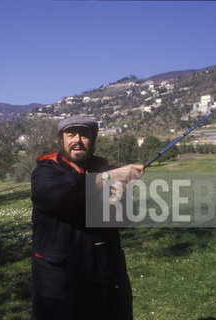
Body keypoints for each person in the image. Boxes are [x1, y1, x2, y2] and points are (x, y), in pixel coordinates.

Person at [31, 115, 144, 320]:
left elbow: (127, 217)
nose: (77, 140)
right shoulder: (44, 173)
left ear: (93, 139)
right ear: (61, 140)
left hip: (106, 272)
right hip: (59, 280)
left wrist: (119, 201)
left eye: (84, 135)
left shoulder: (105, 168)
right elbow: (60, 196)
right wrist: (108, 179)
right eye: (71, 134)